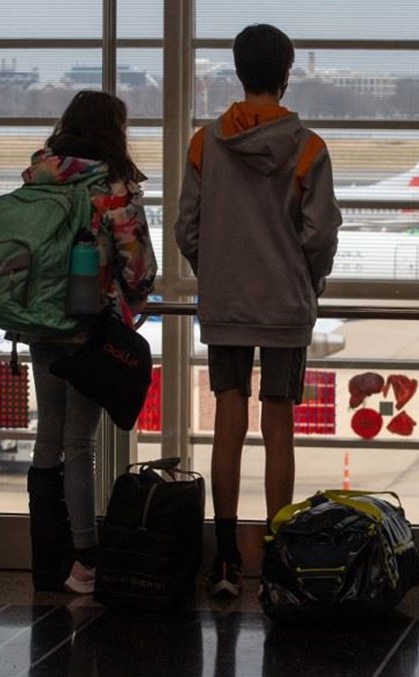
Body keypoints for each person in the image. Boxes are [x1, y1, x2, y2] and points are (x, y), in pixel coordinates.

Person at [174, 23, 342, 599]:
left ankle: (224, 559)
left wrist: (217, 271)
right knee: (278, 425)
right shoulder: (309, 147)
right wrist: (307, 279)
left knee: (228, 419)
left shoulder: (205, 143)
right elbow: (319, 234)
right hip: (285, 305)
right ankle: (278, 555)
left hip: (226, 303)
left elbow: (187, 228)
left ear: (238, 72)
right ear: (286, 74)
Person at [25, 90, 157, 595]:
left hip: (39, 320)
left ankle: (47, 564)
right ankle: (85, 562)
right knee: (79, 442)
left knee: (48, 436)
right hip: (89, 326)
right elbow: (138, 267)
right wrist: (133, 299)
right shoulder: (112, 186)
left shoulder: (40, 174)